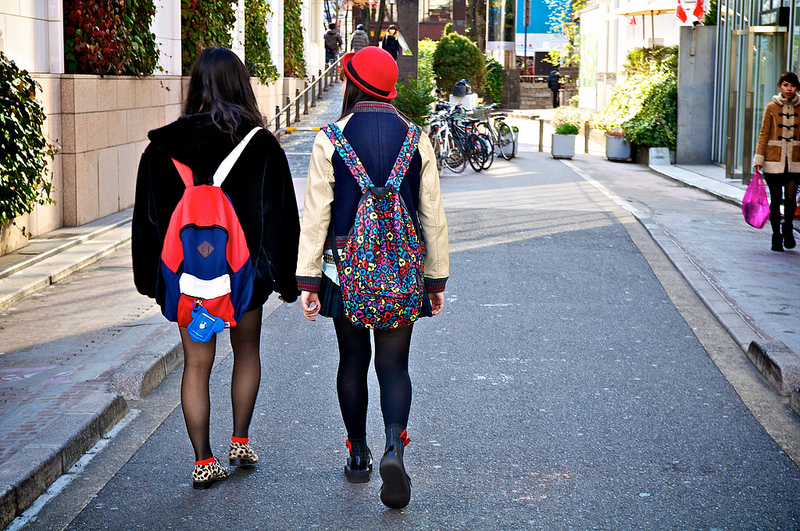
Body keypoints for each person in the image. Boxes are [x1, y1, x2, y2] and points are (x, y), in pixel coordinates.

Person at [131, 47, 301, 489]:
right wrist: (285, 279)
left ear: (195, 85)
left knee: (196, 364)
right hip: (245, 280)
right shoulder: (260, 144)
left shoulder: (161, 149)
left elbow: (147, 223)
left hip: (188, 281)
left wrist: (152, 283)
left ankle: (203, 461)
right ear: (240, 85)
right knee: (247, 351)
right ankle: (240, 440)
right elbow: (282, 216)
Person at [295, 47, 449, 509]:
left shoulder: (331, 139)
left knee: (352, 360)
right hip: (402, 273)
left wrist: (307, 281)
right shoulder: (416, 138)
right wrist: (435, 279)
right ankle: (394, 447)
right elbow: (433, 216)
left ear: (353, 83)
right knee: (394, 366)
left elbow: (316, 214)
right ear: (391, 88)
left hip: (344, 273)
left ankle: (358, 454)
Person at [754, 71, 799, 252]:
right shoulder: (771, 107)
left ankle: (787, 229)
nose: (789, 89)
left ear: (797, 87)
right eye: (785, 85)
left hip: (795, 161)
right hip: (773, 160)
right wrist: (759, 158)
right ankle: (776, 236)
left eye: (792, 85)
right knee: (776, 200)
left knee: (790, 199)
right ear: (780, 86)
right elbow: (764, 133)